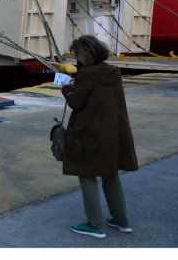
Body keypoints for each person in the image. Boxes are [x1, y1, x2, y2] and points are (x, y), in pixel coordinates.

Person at [61, 35, 137, 239]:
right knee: (111, 175)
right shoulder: (113, 72)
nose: (75, 57)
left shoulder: (86, 77)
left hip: (90, 133)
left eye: (76, 54)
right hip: (113, 133)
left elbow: (76, 102)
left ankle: (94, 224)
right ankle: (122, 221)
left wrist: (66, 88)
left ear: (83, 55)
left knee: (87, 175)